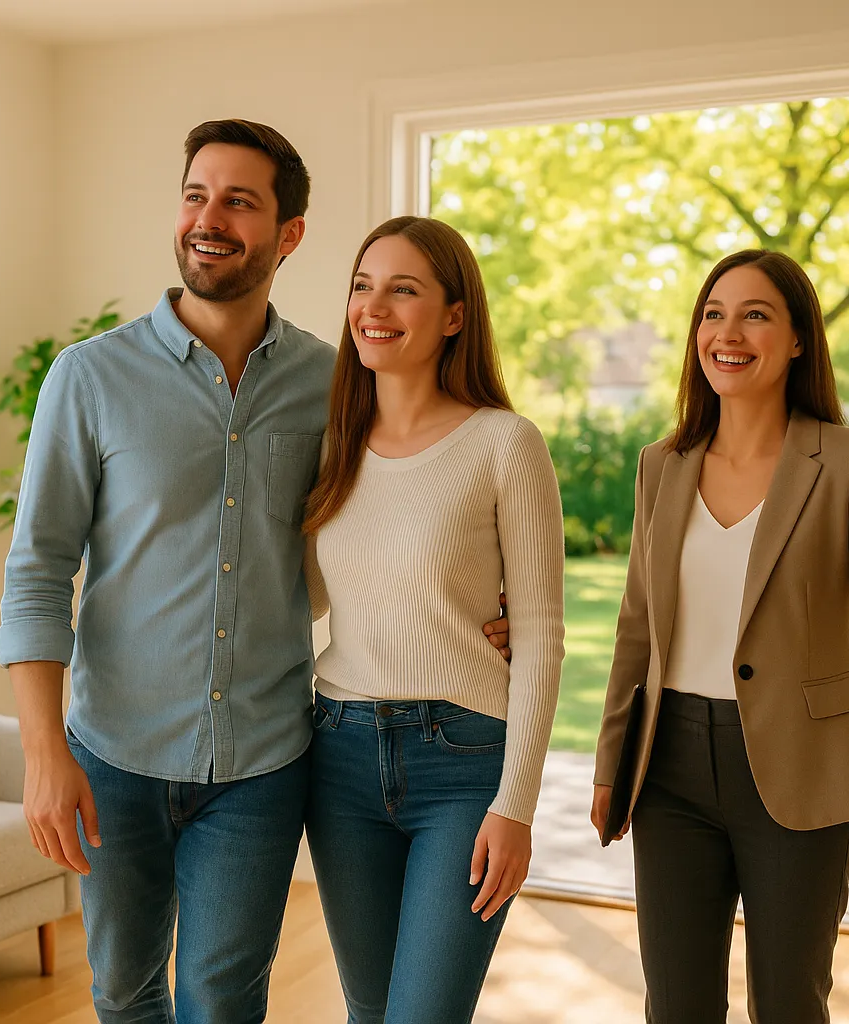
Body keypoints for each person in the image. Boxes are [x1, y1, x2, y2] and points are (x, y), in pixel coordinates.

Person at [0, 121, 508, 1024]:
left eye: (240, 200)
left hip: (263, 759)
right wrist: (44, 754)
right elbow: (38, 570)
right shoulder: (89, 378)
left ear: (289, 233)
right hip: (112, 750)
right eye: (197, 194)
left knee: (225, 998)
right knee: (123, 990)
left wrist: (484, 602)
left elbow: (418, 491)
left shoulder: (338, 383)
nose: (209, 217)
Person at [590, 249, 849, 1024]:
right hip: (670, 765)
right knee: (676, 1006)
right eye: (714, 313)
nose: (728, 331)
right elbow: (637, 627)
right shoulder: (663, 465)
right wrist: (612, 762)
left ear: (797, 340)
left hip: (800, 768)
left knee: (787, 1002)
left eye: (756, 314)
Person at [302, 216, 566, 1024]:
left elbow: (545, 634)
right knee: (369, 1012)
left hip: (463, 764)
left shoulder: (504, 443)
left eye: (403, 289)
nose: (374, 306)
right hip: (338, 754)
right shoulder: (333, 444)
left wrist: (515, 805)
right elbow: (306, 600)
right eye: (362, 285)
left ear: (454, 315)